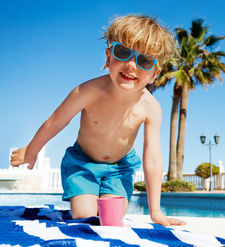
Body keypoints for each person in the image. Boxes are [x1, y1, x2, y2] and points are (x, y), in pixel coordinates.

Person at [10, 15, 186, 227]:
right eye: (123, 52)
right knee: (84, 216)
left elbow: (153, 159)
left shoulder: (151, 108)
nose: (131, 65)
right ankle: (85, 197)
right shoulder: (87, 91)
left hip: (119, 169)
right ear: (108, 56)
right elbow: (56, 122)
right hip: (82, 163)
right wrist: (32, 150)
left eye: (144, 60)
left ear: (154, 74)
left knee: (111, 221)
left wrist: (156, 211)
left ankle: (108, 199)